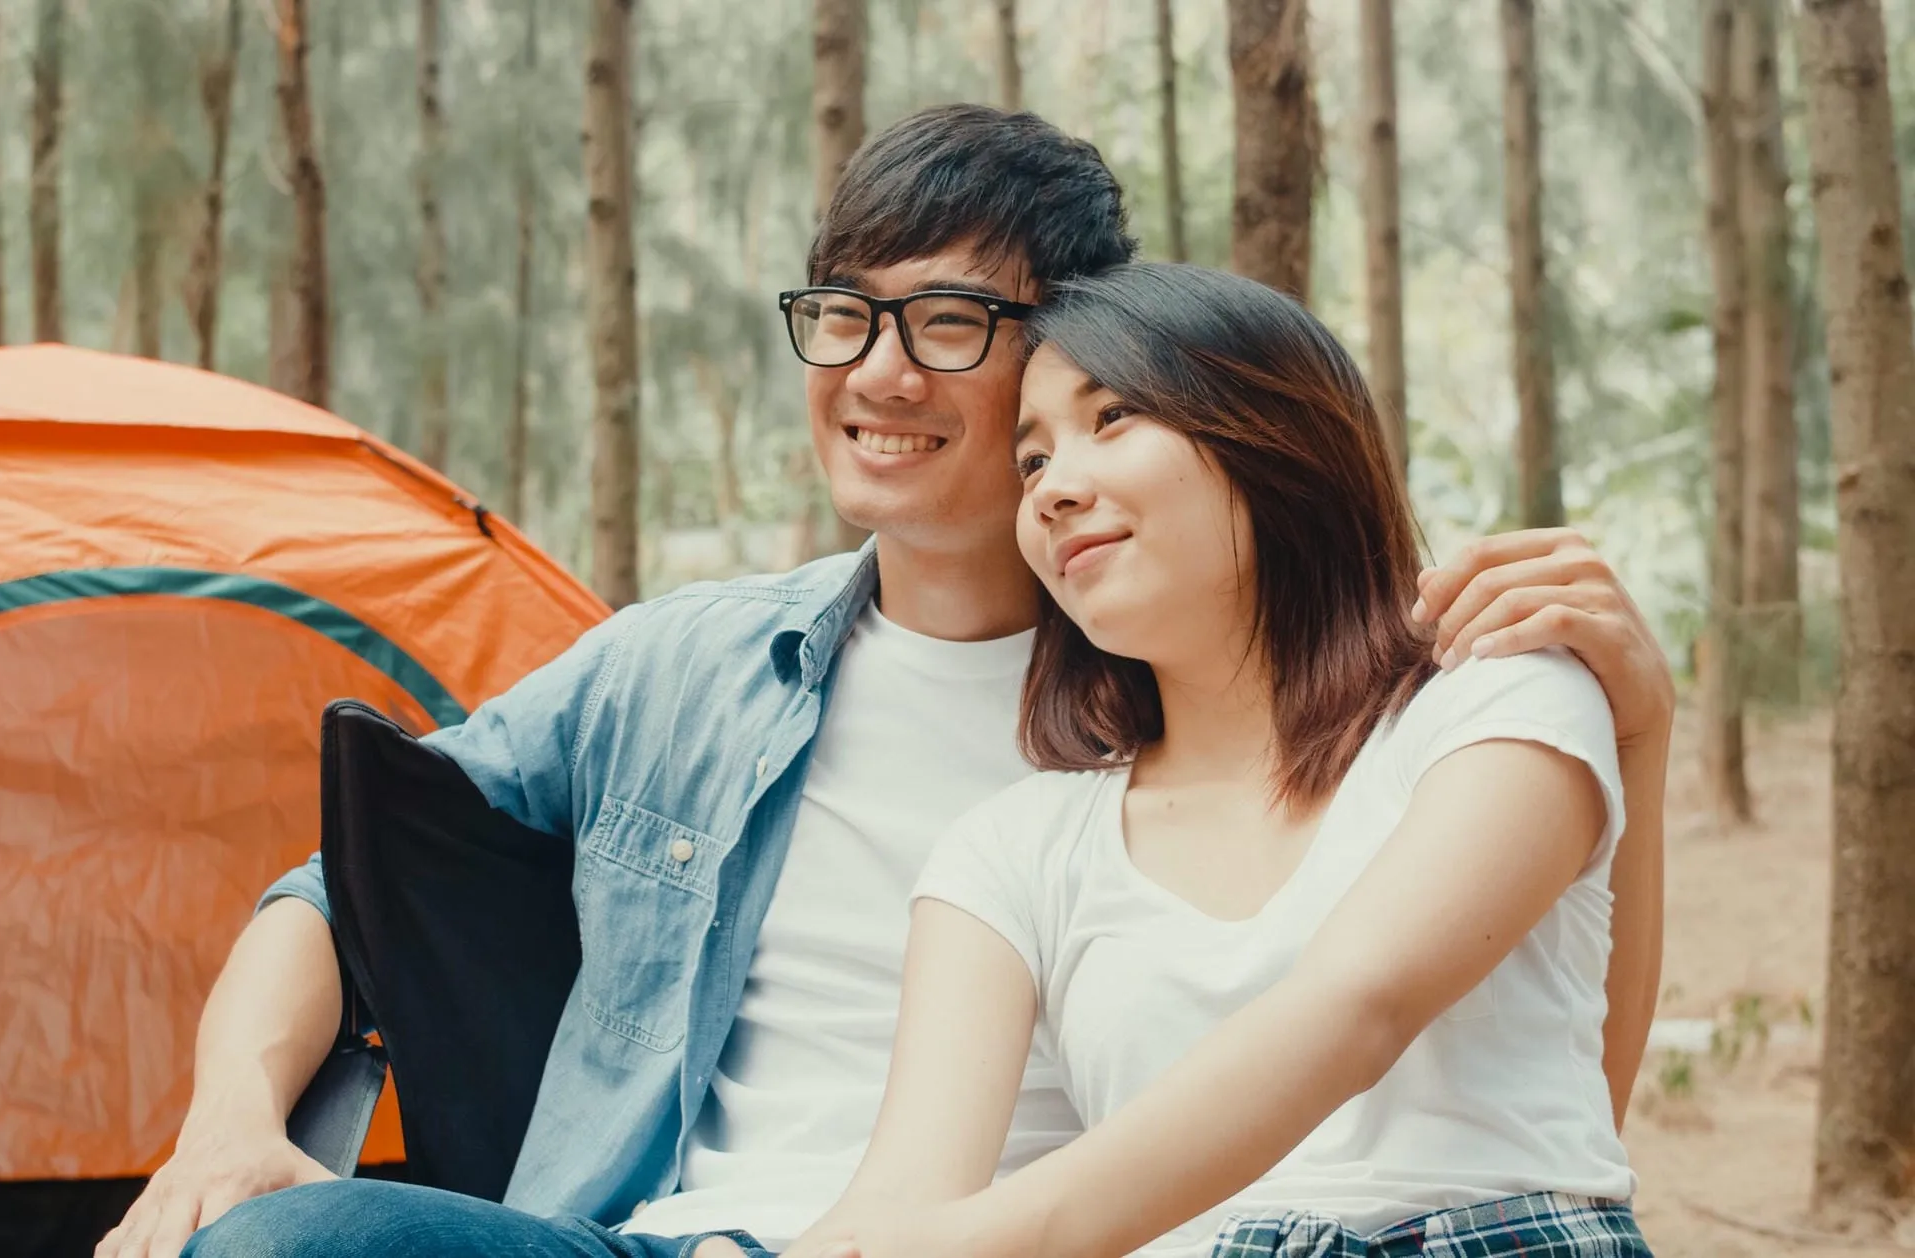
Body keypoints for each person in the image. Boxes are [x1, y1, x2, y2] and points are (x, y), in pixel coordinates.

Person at [102, 105, 1672, 1258]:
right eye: (844, 315)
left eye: (946, 321)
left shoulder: (1233, 693)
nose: (878, 372)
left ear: (1079, 348)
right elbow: (334, 887)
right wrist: (232, 1122)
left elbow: (1500, 1054)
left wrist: (1635, 749)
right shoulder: (690, 665)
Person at [744, 263, 1651, 1258]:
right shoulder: (1011, 850)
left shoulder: (1496, 693)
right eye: (1033, 460)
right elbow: (902, 1198)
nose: (1053, 489)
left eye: (1114, 415)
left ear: (1274, 435)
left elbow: (1360, 1002)